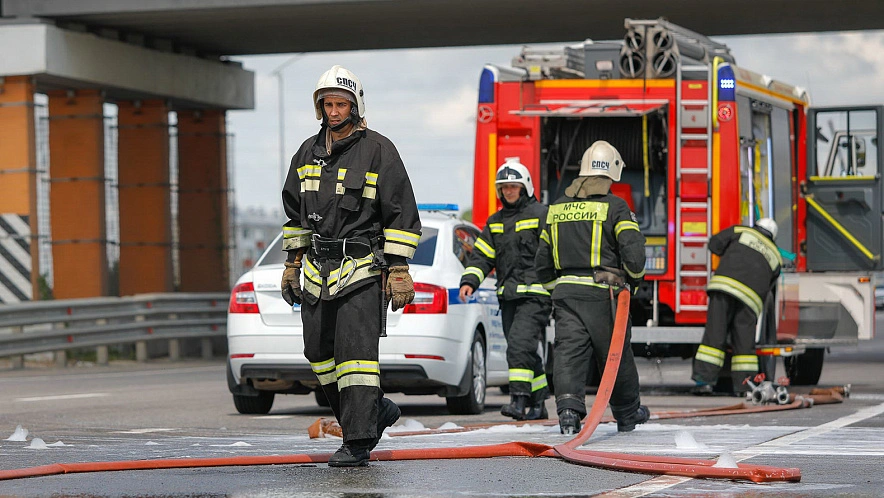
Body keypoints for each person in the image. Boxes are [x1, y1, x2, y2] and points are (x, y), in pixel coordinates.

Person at [280, 65, 422, 467]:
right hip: (316, 270)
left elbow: (400, 212)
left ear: (356, 106)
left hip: (361, 268)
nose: (335, 111)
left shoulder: (379, 150)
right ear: (320, 106)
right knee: (319, 354)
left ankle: (358, 442)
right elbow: (295, 215)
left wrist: (398, 270)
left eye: (342, 103)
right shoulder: (307, 153)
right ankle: (375, 412)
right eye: (328, 104)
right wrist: (292, 264)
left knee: (355, 358)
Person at [535, 140, 650, 435]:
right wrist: (633, 282)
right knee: (615, 354)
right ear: (610, 173)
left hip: (565, 295)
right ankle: (627, 413)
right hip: (604, 294)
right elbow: (634, 255)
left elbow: (542, 263)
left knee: (569, 354)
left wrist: (556, 288)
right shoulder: (615, 206)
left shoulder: (557, 208)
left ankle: (569, 413)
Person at [458, 158, 551, 420]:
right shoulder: (495, 222)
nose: (509, 191)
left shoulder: (542, 215)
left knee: (519, 347)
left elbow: (555, 254)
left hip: (536, 296)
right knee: (525, 350)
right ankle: (540, 403)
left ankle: (519, 401)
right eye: (505, 187)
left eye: (514, 186)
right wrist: (469, 282)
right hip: (509, 296)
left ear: (525, 187)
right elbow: (482, 257)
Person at [691, 218, 782, 396]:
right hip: (750, 299)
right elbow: (770, 285)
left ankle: (704, 382)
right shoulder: (776, 256)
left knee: (714, 337)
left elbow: (714, 243)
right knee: (744, 344)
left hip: (723, 288)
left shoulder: (741, 231)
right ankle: (744, 386)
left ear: (756, 225)